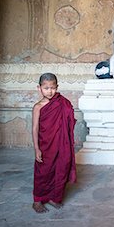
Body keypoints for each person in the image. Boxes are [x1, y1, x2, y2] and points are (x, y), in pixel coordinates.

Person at [32, 73, 77, 213]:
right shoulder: (38, 107)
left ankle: (54, 197)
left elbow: (68, 118)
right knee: (43, 171)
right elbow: (35, 128)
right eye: (46, 88)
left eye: (52, 88)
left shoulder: (62, 102)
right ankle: (37, 200)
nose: (50, 91)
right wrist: (36, 149)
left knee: (61, 169)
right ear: (39, 88)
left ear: (57, 87)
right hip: (46, 144)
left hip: (61, 144)